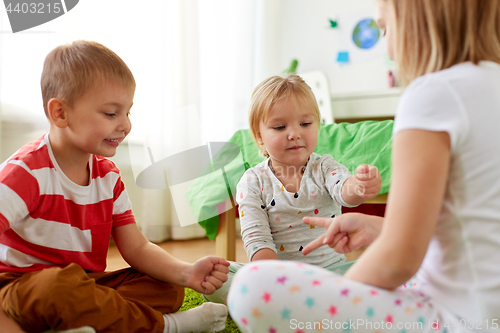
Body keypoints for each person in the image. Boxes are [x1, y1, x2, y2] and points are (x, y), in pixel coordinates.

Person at [227, 0, 500, 332]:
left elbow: (398, 257)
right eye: (280, 127)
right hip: (483, 307)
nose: (389, 50)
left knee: (249, 291)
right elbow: (470, 231)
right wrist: (382, 229)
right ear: (259, 136)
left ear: (413, 18)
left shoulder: (432, 94)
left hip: (456, 317)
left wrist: (335, 299)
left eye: (384, 28)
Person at [0, 40, 230, 333]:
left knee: (167, 286)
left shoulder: (107, 176)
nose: (125, 125)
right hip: (20, 290)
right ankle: (169, 327)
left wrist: (186, 273)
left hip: (83, 286)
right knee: (63, 289)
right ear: (60, 113)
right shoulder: (25, 172)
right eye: (111, 114)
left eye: (128, 112)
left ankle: (78, 324)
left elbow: (136, 247)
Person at [202, 74, 382, 304]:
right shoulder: (251, 182)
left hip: (333, 274)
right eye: (279, 127)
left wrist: (359, 186)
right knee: (214, 277)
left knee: (378, 269)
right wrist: (275, 282)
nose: (295, 133)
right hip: (279, 279)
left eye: (305, 124)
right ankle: (295, 302)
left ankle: (301, 304)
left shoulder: (325, 167)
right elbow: (258, 241)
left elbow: (345, 192)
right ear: (259, 137)